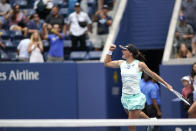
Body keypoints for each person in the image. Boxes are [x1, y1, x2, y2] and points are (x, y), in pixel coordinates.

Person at [104, 44, 172, 131]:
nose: (122, 51)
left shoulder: (140, 64)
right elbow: (107, 63)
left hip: (135, 98)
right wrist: (110, 51)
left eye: (125, 50)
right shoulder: (121, 63)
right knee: (136, 113)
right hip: (125, 97)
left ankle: (150, 122)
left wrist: (166, 84)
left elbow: (153, 75)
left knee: (131, 125)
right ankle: (150, 121)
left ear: (131, 53)